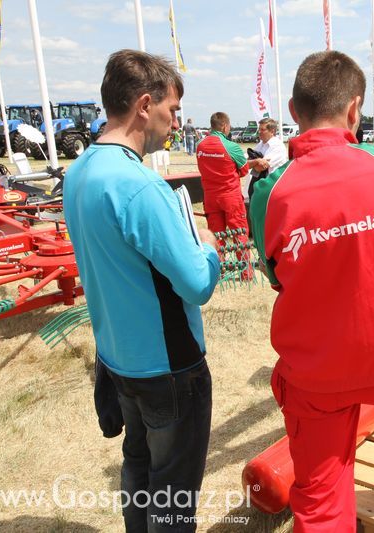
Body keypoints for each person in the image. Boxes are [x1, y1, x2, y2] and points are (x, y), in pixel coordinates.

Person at [250, 50, 374, 531]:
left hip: (315, 374)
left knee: (318, 498)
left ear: (294, 113)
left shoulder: (270, 192)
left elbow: (279, 275)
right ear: (356, 109)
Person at [63, 49, 221, 532]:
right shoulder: (140, 186)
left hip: (118, 359)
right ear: (144, 104)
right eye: (172, 110)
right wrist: (209, 247)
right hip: (169, 366)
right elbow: (196, 284)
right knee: (172, 494)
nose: (176, 122)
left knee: (138, 470)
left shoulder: (79, 172)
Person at [195, 112, 251, 271]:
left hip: (211, 197)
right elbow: (244, 169)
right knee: (239, 233)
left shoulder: (200, 145)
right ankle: (245, 271)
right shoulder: (231, 146)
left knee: (216, 235)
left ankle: (217, 269)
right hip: (230, 197)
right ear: (225, 126)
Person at [243, 117, 289, 205]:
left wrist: (254, 162)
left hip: (272, 187)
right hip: (260, 185)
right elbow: (245, 163)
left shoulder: (277, 146)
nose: (259, 132)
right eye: (259, 129)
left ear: (272, 131)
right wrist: (257, 161)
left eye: (262, 129)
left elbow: (260, 167)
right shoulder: (261, 144)